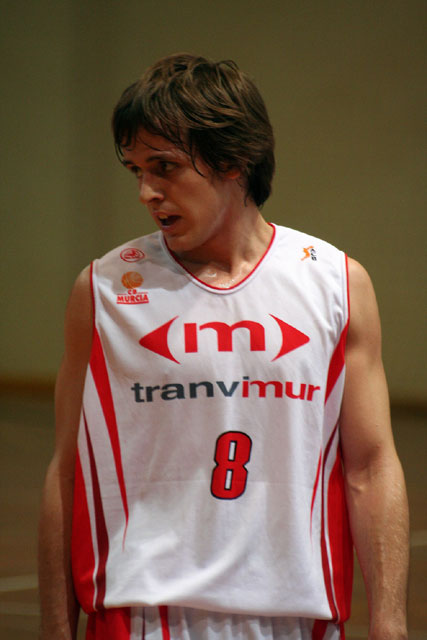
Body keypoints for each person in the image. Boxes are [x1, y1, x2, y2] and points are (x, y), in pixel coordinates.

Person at [38, 53, 409, 640]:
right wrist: (57, 627)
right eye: (136, 170)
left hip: (298, 614)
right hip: (141, 613)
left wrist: (390, 622)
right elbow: (68, 473)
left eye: (164, 166)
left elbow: (371, 464)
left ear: (233, 159)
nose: (146, 191)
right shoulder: (105, 289)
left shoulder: (337, 283)